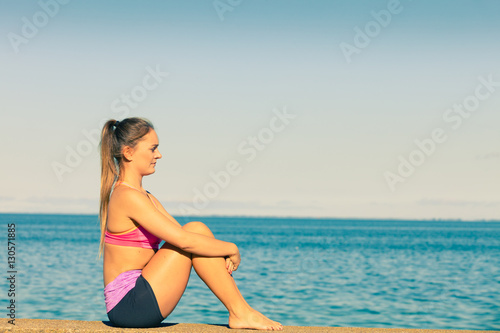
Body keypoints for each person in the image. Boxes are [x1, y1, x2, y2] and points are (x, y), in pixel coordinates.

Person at [99, 117, 283, 330]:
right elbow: (184, 241)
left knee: (198, 231)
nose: (158, 155)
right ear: (129, 153)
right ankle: (241, 312)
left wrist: (217, 251)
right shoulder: (126, 196)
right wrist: (231, 248)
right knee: (195, 231)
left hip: (141, 297)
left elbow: (183, 237)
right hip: (129, 306)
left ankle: (240, 311)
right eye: (152, 149)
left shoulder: (144, 196)